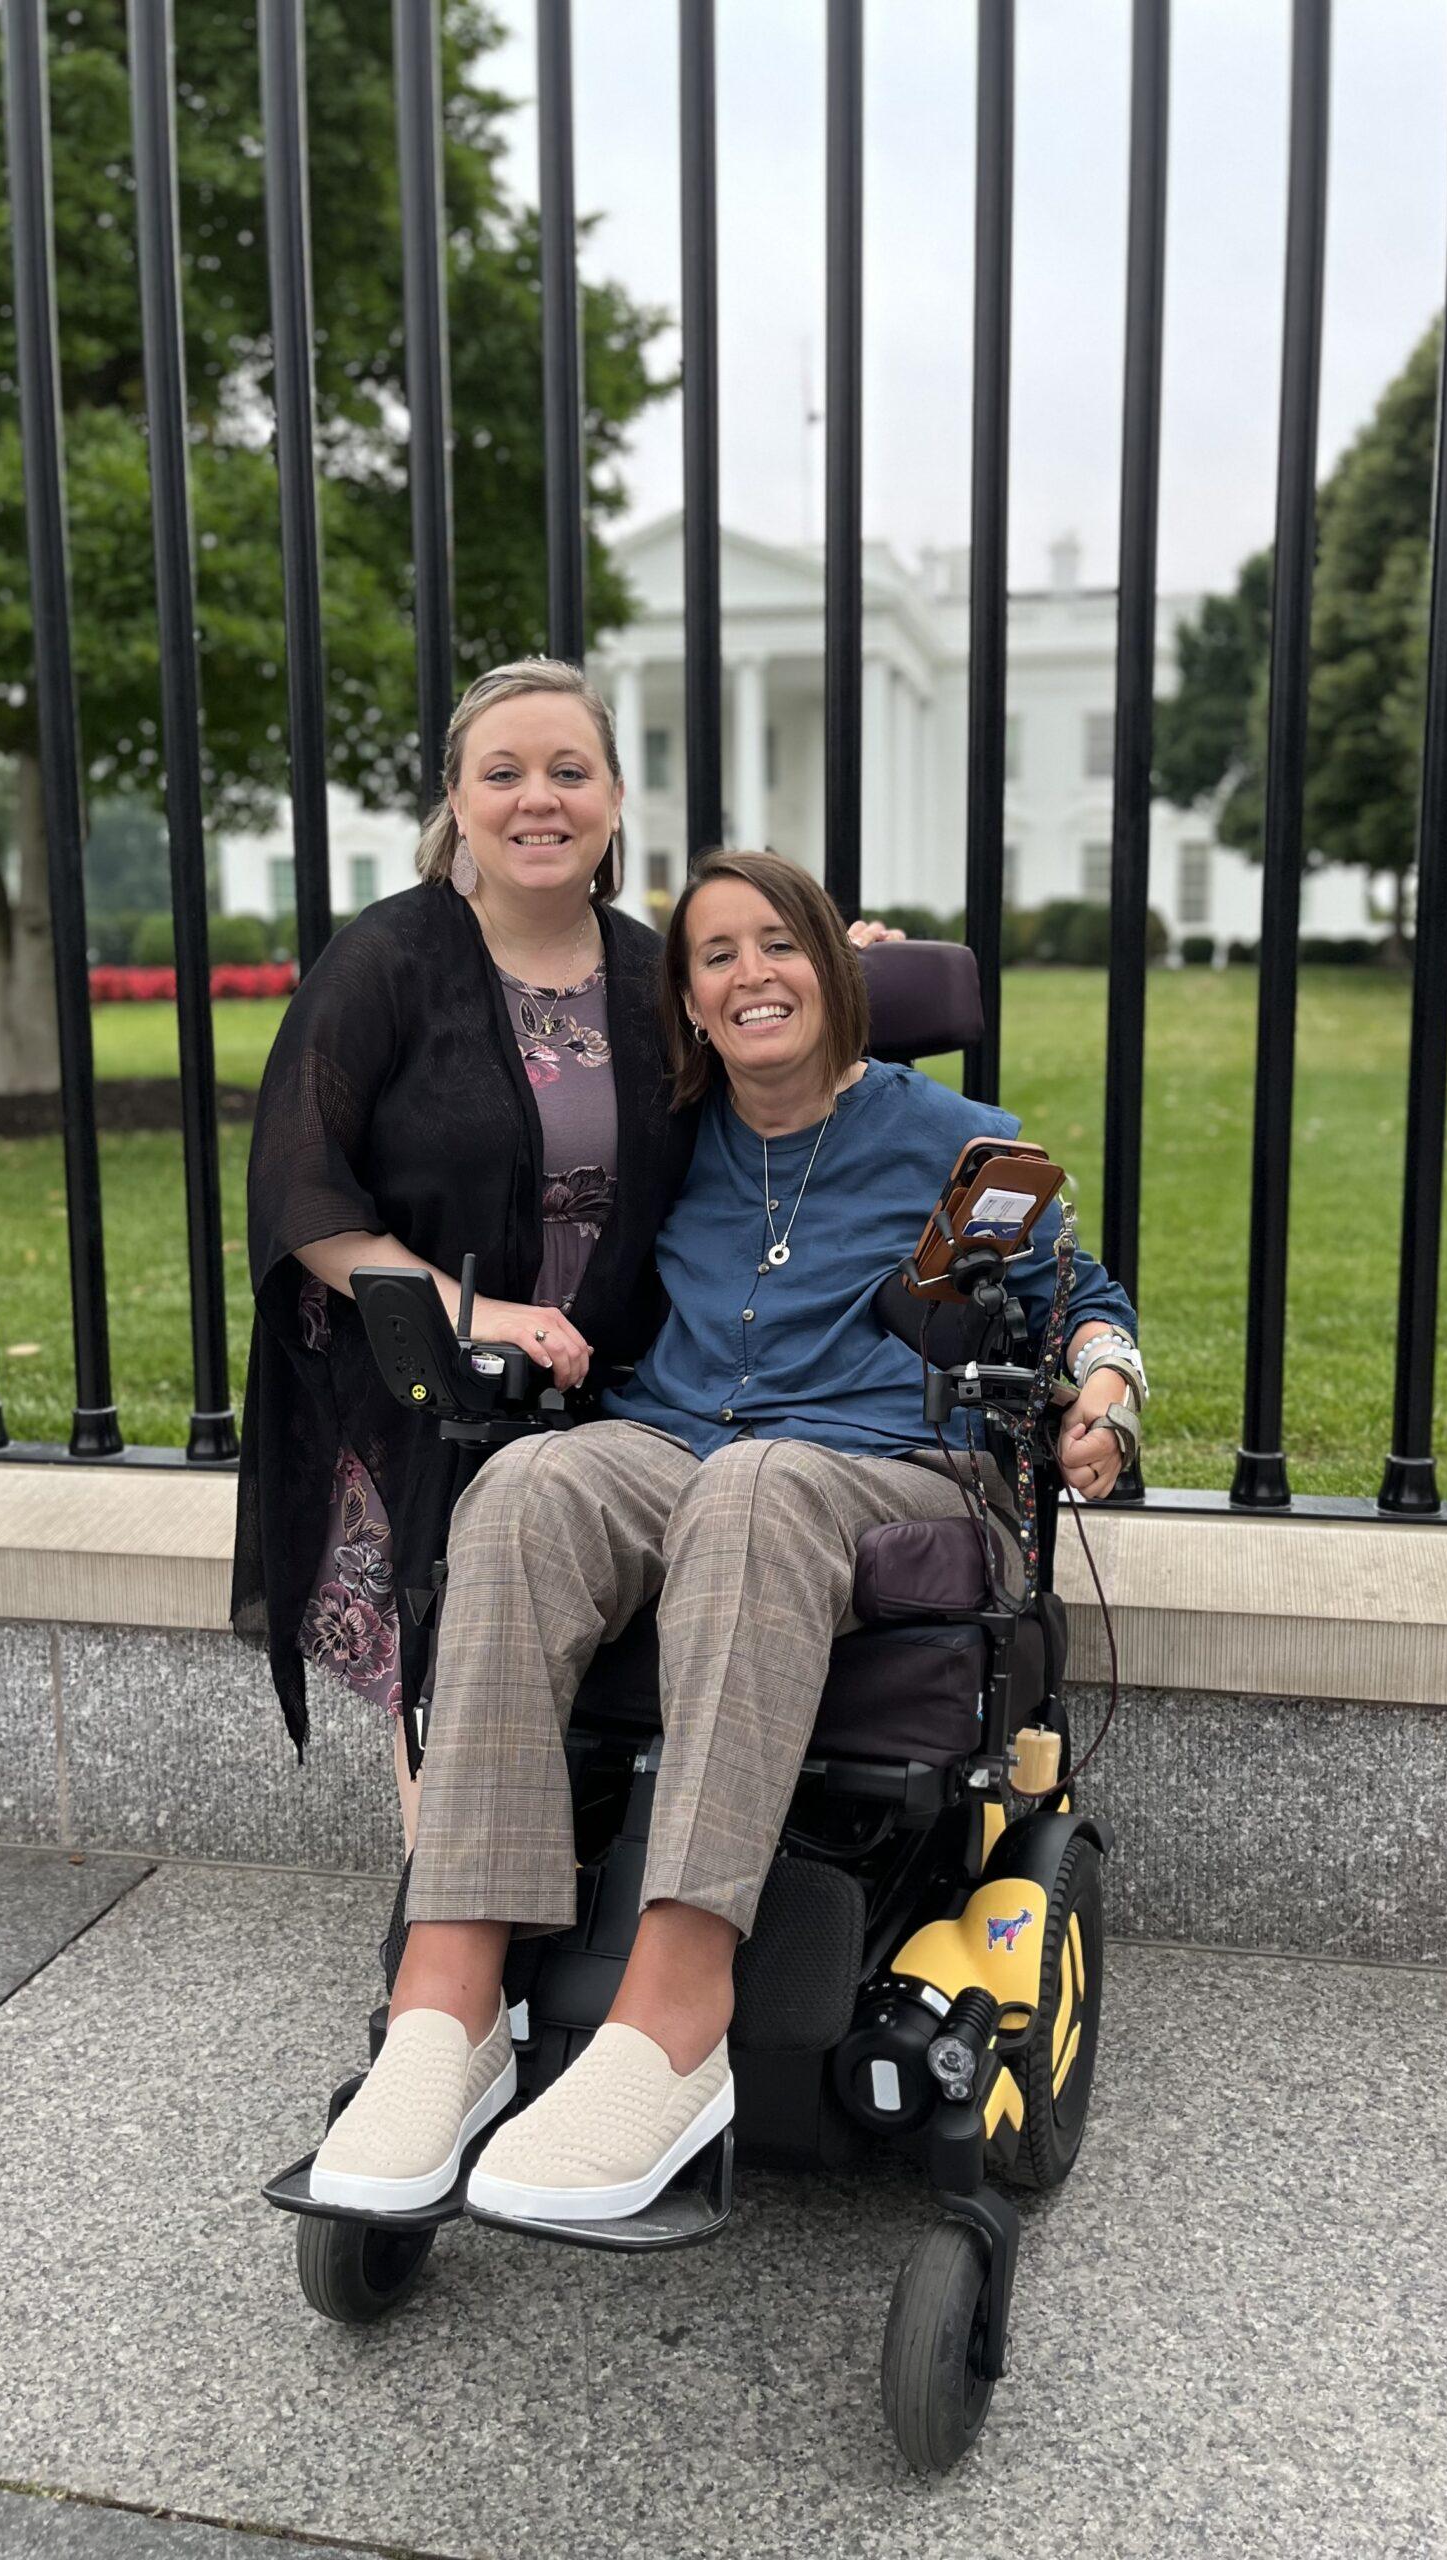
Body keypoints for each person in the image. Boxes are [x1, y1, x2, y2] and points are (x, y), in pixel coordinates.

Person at [306, 849, 1142, 2225]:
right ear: (683, 999)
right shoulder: (670, 1141)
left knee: (756, 1484)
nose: (753, 975)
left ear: (837, 966)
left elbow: (1084, 1298)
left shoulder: (958, 1139)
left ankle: (677, 2015)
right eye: (717, 956)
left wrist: (1103, 1392)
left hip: (887, 1463)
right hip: (674, 1443)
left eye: (783, 945)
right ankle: (446, 2011)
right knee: (522, 1491)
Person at [231, 659, 695, 1843]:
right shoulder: (386, 962)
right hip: (421, 1375)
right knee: (456, 1633)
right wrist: (476, 1316)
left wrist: (837, 961)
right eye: (505, 773)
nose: (538, 798)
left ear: (616, 797)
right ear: (458, 799)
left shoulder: (658, 974)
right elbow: (302, 1194)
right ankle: (452, 1910)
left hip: (621, 1374)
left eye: (568, 770)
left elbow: (776, 1054)